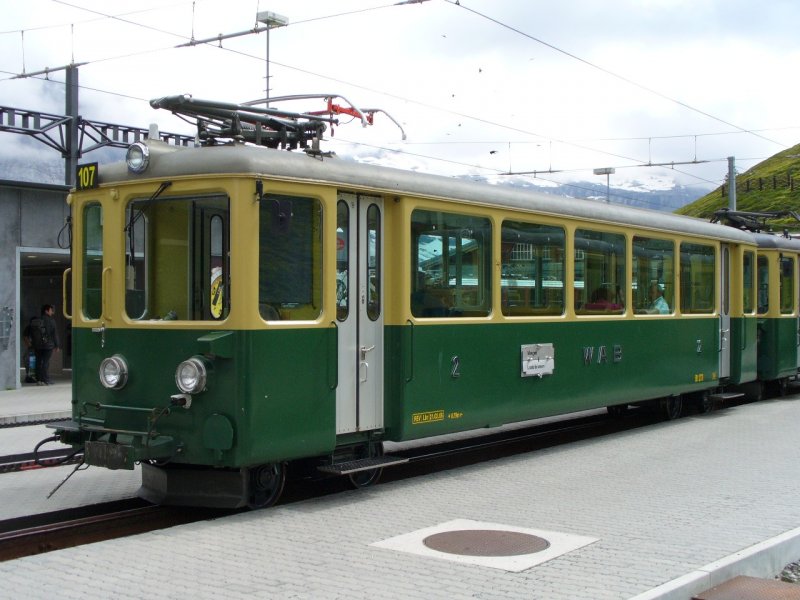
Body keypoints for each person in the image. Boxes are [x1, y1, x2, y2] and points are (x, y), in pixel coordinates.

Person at [31, 304, 60, 386]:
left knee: (38, 361)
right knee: (45, 362)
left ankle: (39, 379)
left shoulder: (36, 320)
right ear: (46, 311)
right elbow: (54, 334)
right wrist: (57, 345)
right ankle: (46, 379)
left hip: (37, 345)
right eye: (51, 310)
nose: (52, 312)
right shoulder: (51, 321)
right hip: (48, 345)